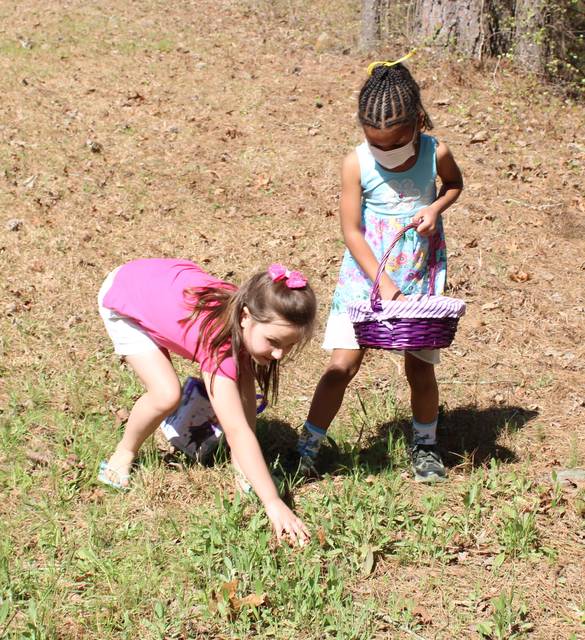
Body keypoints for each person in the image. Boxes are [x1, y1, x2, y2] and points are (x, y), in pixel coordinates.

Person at [297, 57, 463, 483]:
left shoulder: (435, 152)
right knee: (341, 366)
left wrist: (435, 207)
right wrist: (383, 284)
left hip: (418, 273)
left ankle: (425, 445)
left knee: (420, 368)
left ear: (417, 124)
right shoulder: (356, 163)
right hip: (368, 275)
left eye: (394, 143)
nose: (385, 152)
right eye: (377, 145)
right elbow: (352, 232)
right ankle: (308, 446)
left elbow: (454, 185)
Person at [97, 258, 316, 544]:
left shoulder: (246, 314)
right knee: (166, 394)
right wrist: (272, 501)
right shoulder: (217, 343)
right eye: (274, 342)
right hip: (124, 296)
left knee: (234, 385)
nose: (279, 355)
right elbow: (236, 429)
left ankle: (245, 471)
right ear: (245, 317)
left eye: (288, 346)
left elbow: (245, 400)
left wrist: (244, 473)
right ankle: (124, 453)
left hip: (158, 283)